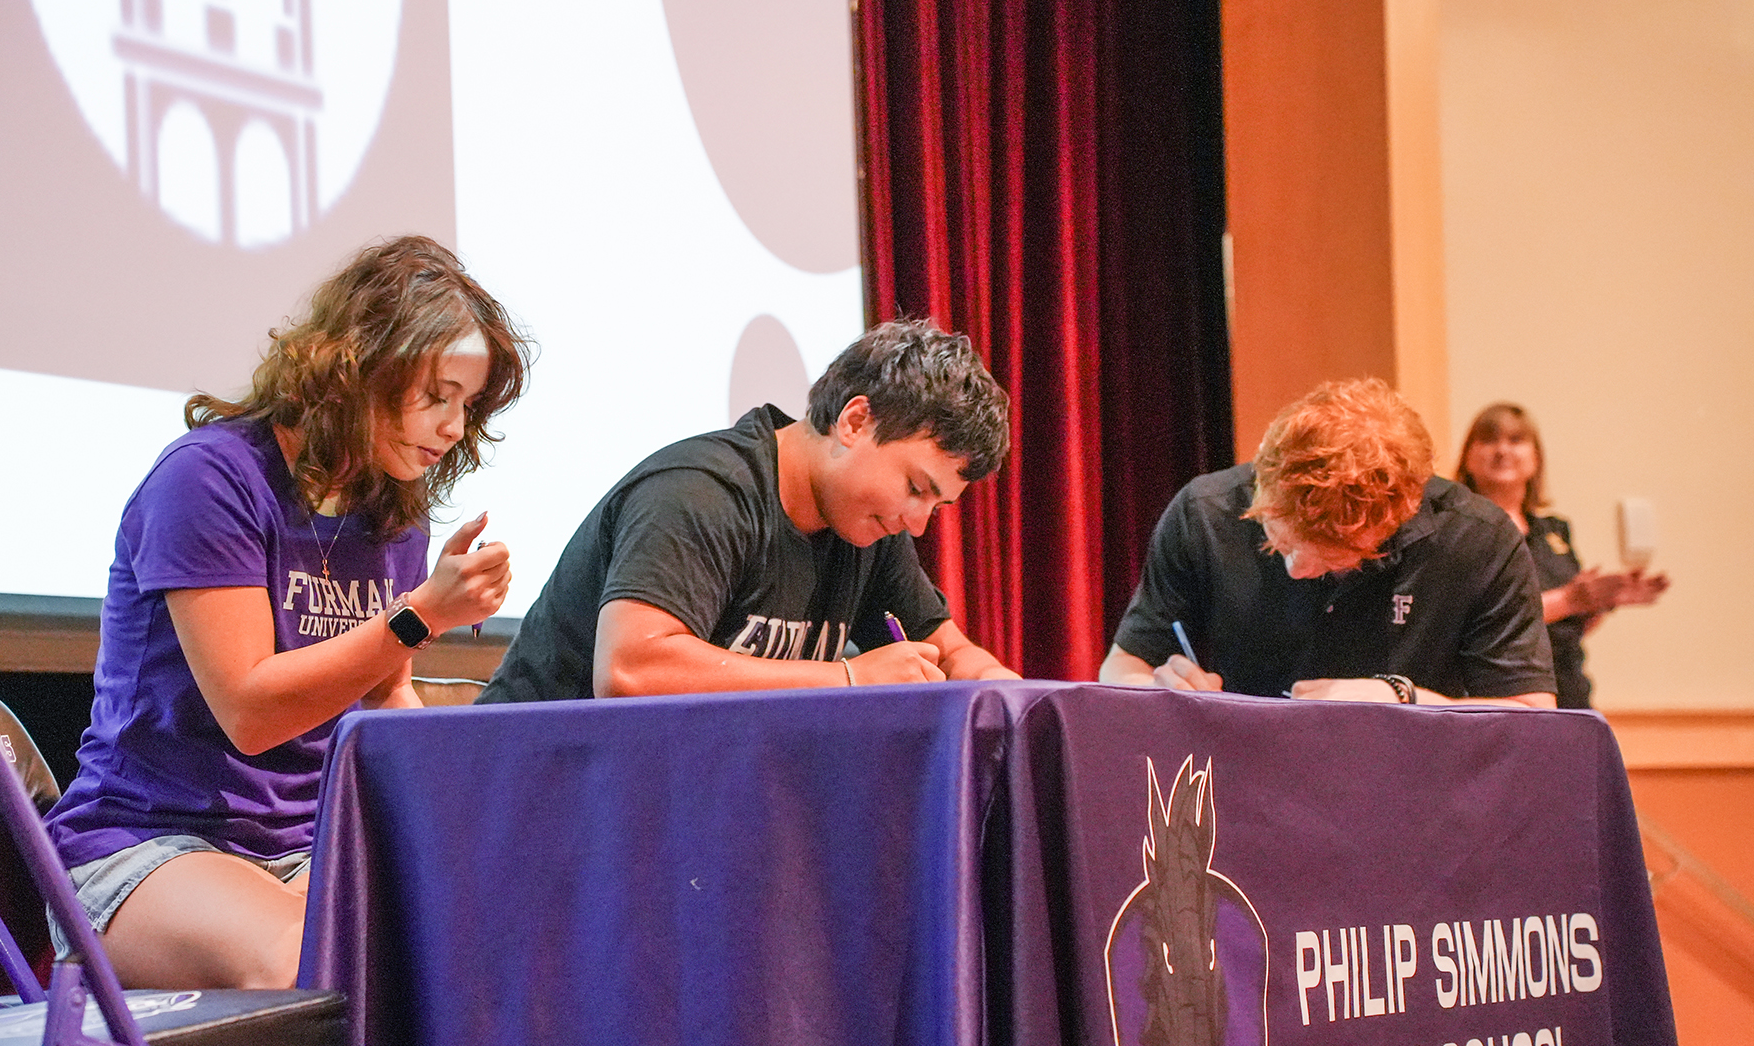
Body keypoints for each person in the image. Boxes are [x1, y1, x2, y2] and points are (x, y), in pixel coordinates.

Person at [43, 237, 530, 991]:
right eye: (436, 395)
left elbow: (383, 697)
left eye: (467, 405)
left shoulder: (390, 511)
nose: (454, 428)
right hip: (146, 845)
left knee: (500, 936)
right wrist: (421, 612)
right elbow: (251, 711)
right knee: (311, 962)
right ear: (358, 368)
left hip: (307, 844)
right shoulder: (210, 478)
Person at [477, 318, 1019, 703]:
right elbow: (629, 671)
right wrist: (850, 676)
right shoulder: (700, 493)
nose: (918, 521)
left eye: (938, 505)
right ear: (855, 422)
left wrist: (1016, 700)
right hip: (533, 795)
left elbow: (947, 654)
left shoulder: (870, 529)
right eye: (914, 487)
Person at [1100, 377, 1556, 707]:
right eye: (1278, 541)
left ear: (1398, 517)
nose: (1296, 570)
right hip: (1238, 793)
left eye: (1331, 556)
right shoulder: (1206, 512)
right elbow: (1123, 666)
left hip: (1411, 803)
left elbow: (1531, 717)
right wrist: (1155, 691)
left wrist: (1402, 697)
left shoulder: (1478, 539)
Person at [1457, 402, 1669, 709]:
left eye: (1516, 440)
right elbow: (1477, 618)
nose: (1502, 450)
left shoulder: (1553, 532)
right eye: (1489, 440)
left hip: (1567, 687)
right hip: (1498, 694)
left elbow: (1570, 625)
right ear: (1468, 457)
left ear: (1536, 458)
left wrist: (1601, 601)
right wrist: (1570, 599)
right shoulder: (1458, 529)